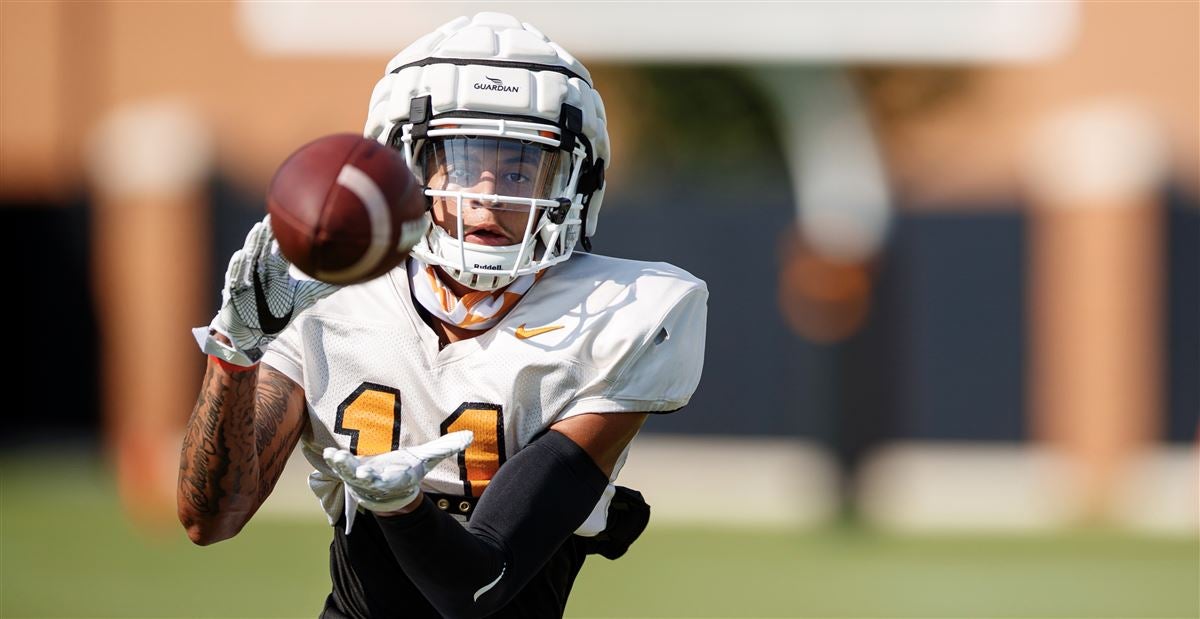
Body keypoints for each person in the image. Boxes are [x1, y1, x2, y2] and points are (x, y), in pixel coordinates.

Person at [177, 12, 707, 619]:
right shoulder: (324, 295)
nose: (489, 194)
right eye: (461, 163)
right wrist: (235, 352)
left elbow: (475, 589)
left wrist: (402, 506)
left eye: (519, 168)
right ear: (405, 166)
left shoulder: (626, 311)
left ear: (573, 181)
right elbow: (209, 520)